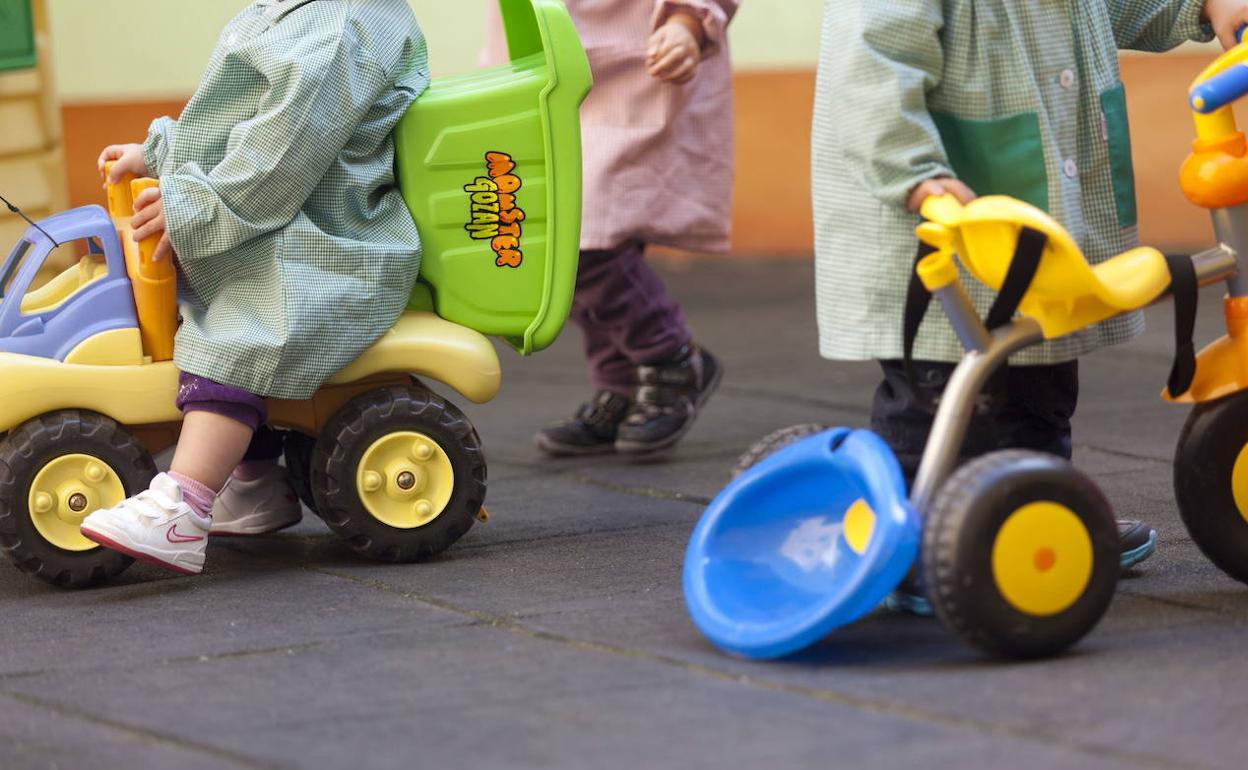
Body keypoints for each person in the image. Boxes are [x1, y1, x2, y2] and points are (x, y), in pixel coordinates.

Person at [812, 0, 1248, 577]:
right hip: (944, 229)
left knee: (1039, 386)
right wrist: (916, 173)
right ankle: (919, 545)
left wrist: (1203, 4)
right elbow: (870, 66)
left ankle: (1044, 510)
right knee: (944, 396)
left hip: (1038, 222)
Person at [78, 0, 430, 575]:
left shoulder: (340, 26)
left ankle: (184, 507)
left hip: (327, 238)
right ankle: (254, 480)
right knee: (204, 293)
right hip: (282, 214)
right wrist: (163, 153)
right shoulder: (294, 13)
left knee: (245, 325)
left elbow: (282, 150)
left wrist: (198, 201)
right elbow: (237, 116)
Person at [483, 1, 738, 456]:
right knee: (562, 237)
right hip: (549, 66)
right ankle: (623, 385)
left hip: (641, 68)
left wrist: (688, 23)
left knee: (586, 235)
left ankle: (672, 358)